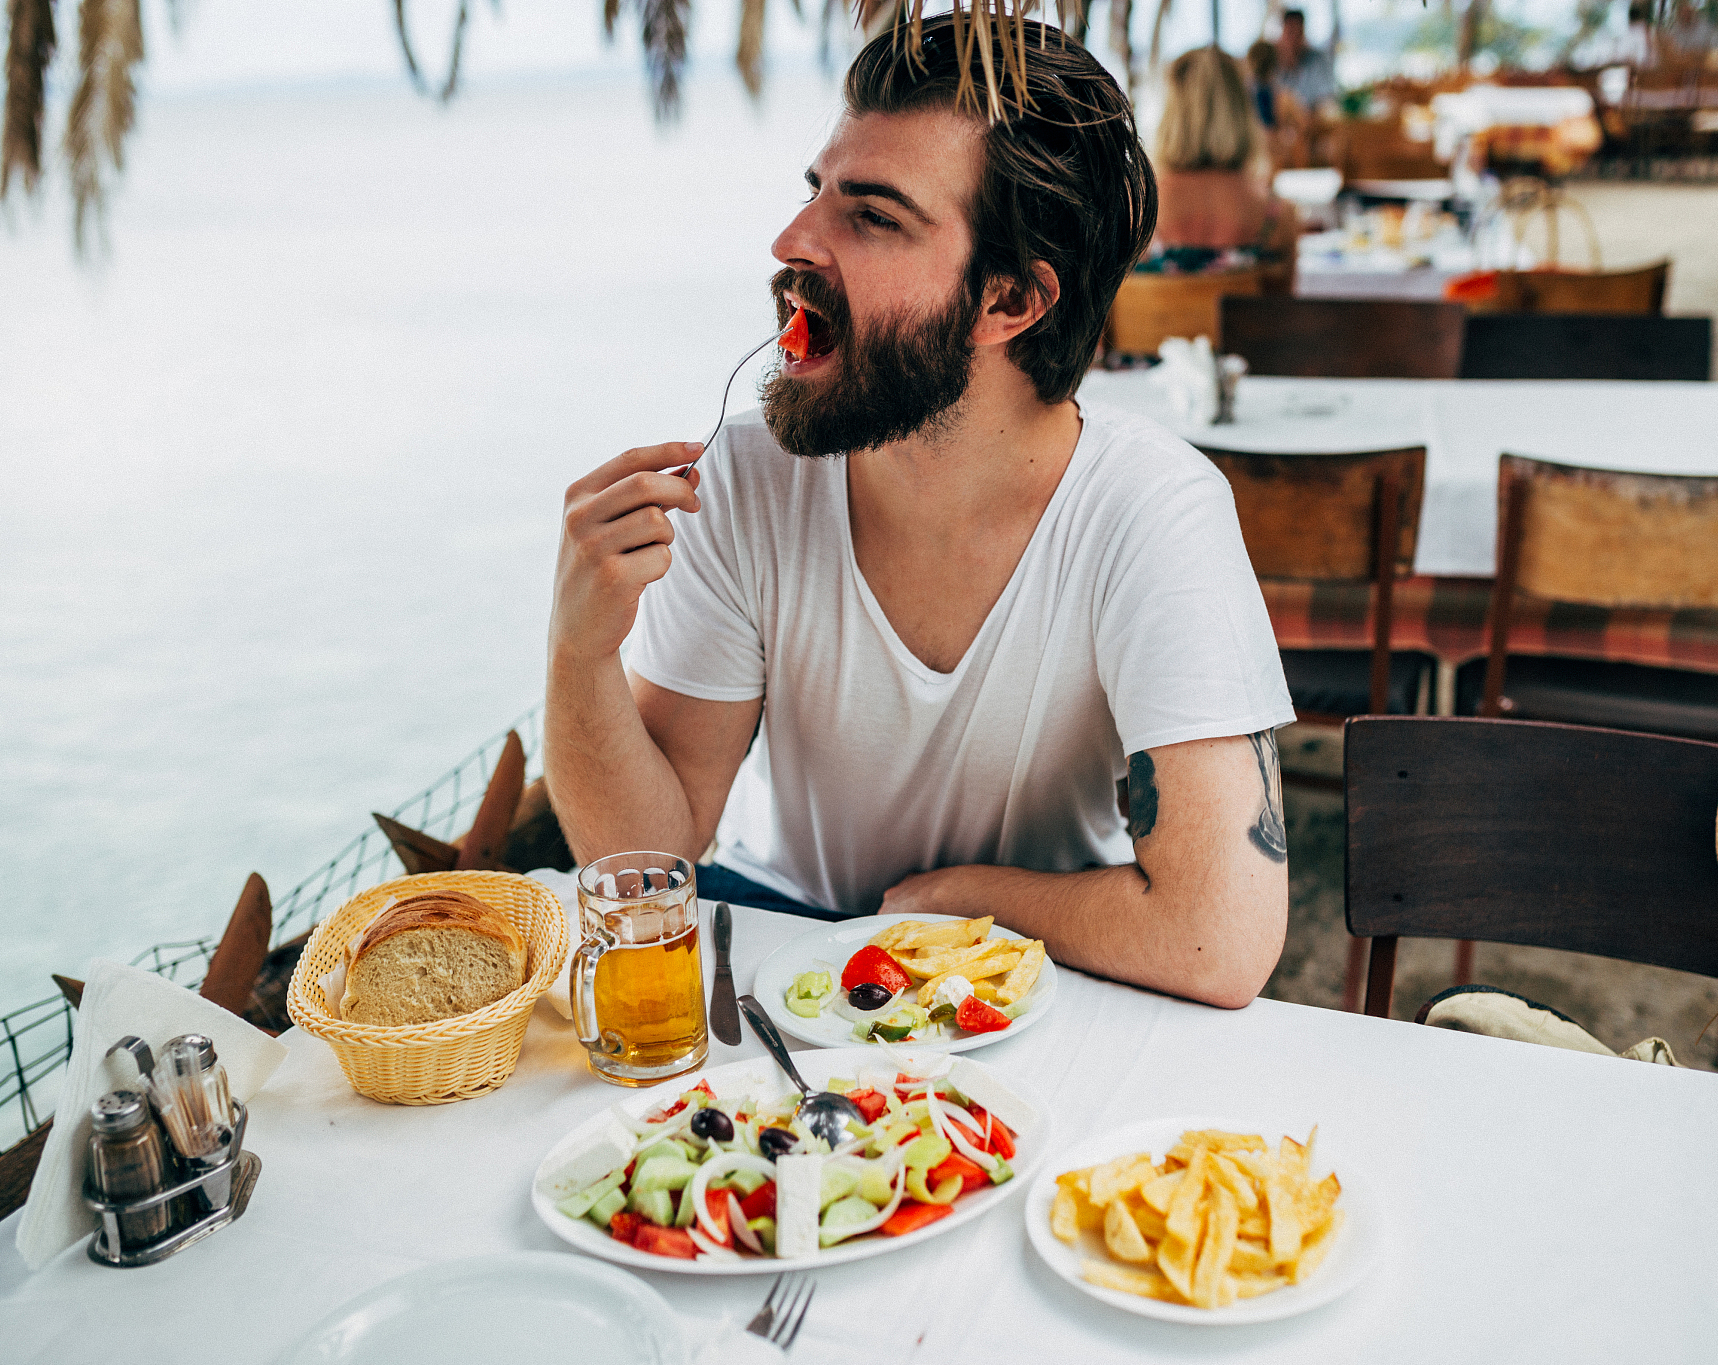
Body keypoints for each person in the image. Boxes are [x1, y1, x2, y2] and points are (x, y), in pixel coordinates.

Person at [544, 23, 1294, 1008]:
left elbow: (1218, 940)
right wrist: (578, 654)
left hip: (1045, 991)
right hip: (792, 975)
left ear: (1008, 300)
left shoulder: (1150, 513)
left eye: (872, 217)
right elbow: (648, 858)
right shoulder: (747, 478)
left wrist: (959, 900)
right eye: (813, 191)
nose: (790, 242)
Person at [1141, 45, 1299, 274]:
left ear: (1171, 113)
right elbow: (1282, 308)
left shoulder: (1136, 212)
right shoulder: (1276, 218)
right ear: (1242, 110)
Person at [1274, 8, 1337, 113]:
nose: (1293, 39)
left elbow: (1327, 98)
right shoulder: (1274, 62)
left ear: (1303, 33)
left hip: (1313, 123)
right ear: (1283, 33)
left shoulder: (1318, 60)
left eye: (1298, 33)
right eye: (1290, 33)